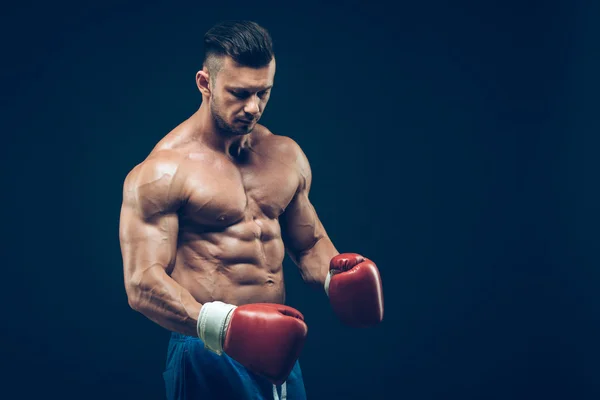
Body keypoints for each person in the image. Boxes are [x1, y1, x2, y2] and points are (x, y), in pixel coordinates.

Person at [118, 20, 384, 400]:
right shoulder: (164, 170)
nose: (253, 107)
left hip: (279, 347)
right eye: (239, 93)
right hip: (208, 347)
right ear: (204, 83)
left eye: (264, 92)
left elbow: (308, 246)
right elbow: (142, 284)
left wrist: (336, 275)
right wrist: (223, 326)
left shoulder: (285, 155)